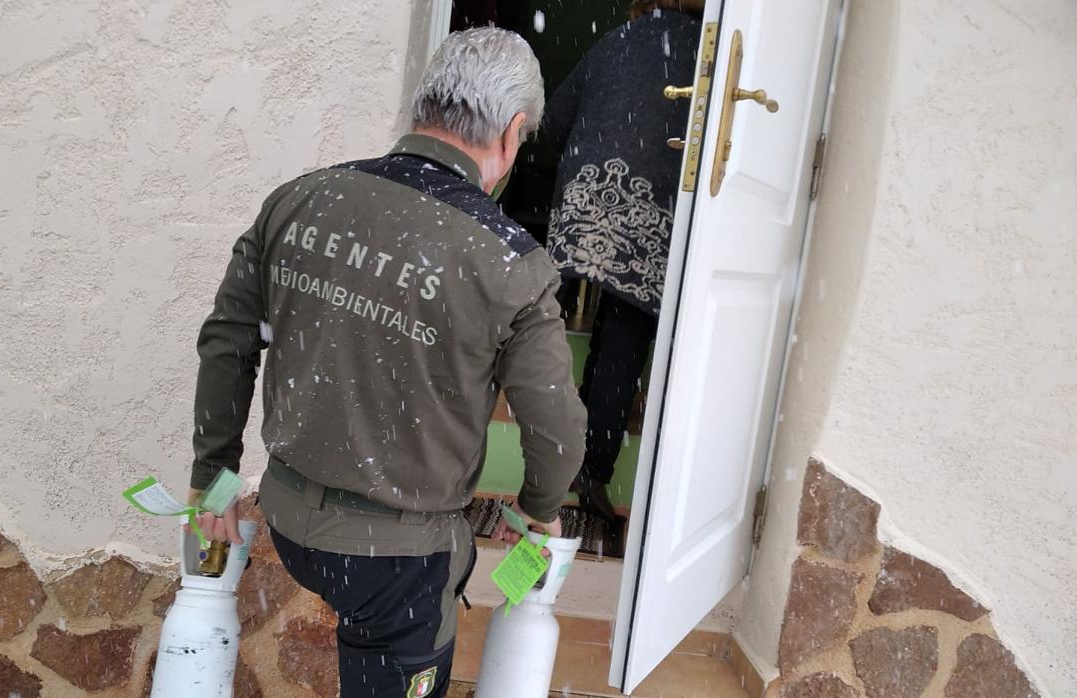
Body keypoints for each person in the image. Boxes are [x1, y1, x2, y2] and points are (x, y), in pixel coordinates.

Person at [186, 27, 587, 698]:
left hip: (288, 520)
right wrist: (539, 510)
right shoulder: (513, 264)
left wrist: (213, 480)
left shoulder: (302, 198)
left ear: (421, 108)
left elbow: (227, 341)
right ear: (513, 133)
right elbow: (556, 429)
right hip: (397, 563)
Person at [543, 0, 702, 521]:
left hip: (585, 194)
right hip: (652, 207)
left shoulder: (613, 41)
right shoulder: (710, 55)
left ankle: (535, 448)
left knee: (534, 316)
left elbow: (554, 118)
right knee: (623, 338)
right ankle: (592, 469)